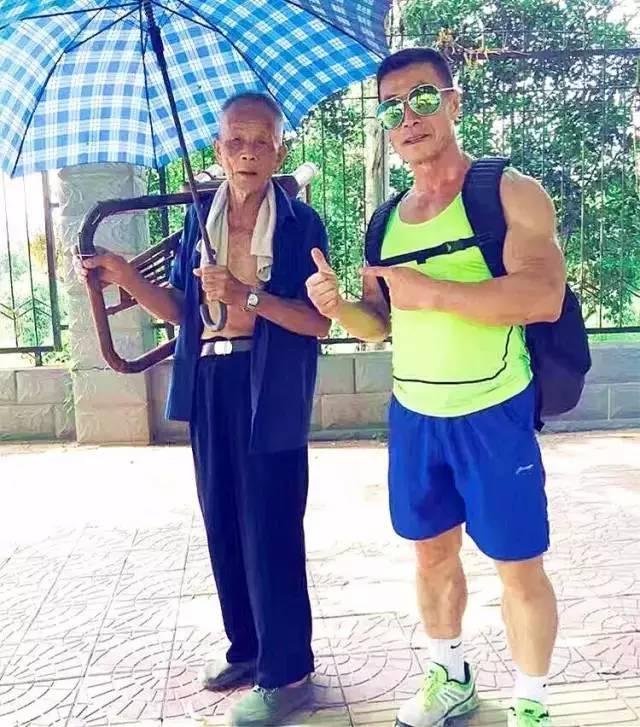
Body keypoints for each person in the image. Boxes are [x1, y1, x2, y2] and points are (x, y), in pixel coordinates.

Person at [306, 47, 566, 727]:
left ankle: (532, 703)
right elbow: (381, 324)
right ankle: (450, 677)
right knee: (430, 555)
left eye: (422, 98)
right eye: (391, 108)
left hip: (493, 410)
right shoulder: (385, 220)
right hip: (416, 414)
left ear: (453, 103)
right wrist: (339, 307)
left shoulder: (507, 192)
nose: (408, 118)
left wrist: (435, 291)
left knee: (518, 562)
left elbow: (542, 296)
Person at [76, 92, 331, 727]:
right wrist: (122, 275)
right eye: (235, 142)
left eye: (261, 142)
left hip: (269, 383)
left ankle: (289, 671)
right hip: (211, 379)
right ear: (218, 149)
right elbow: (183, 313)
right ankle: (247, 649)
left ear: (279, 152)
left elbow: (317, 322)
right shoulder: (200, 219)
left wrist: (249, 296)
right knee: (223, 518)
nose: (248, 153)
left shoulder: (301, 225)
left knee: (270, 524)